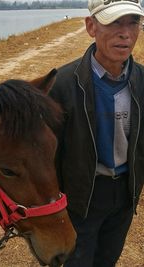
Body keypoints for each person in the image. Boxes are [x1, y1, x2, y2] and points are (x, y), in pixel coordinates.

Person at [49, 0, 144, 266]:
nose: (125, 33)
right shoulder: (62, 84)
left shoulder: (141, 81)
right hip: (81, 197)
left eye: (132, 22)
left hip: (125, 195)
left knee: (108, 259)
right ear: (91, 26)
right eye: (114, 22)